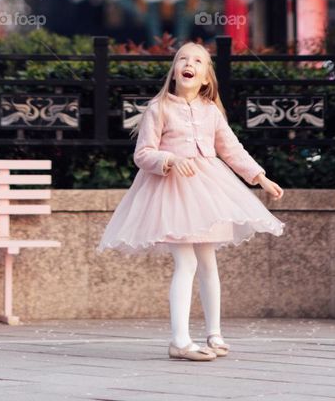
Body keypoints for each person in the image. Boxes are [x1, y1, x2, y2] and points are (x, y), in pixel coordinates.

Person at [96, 40, 285, 361]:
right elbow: (142, 154)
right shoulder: (159, 108)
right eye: (182, 59)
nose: (189, 63)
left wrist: (259, 177)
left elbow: (231, 149)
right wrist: (168, 159)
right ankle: (180, 340)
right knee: (187, 262)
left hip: (210, 193)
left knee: (208, 263)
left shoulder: (211, 111)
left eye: (197, 61)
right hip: (173, 194)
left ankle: (214, 333)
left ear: (206, 78)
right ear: (174, 72)